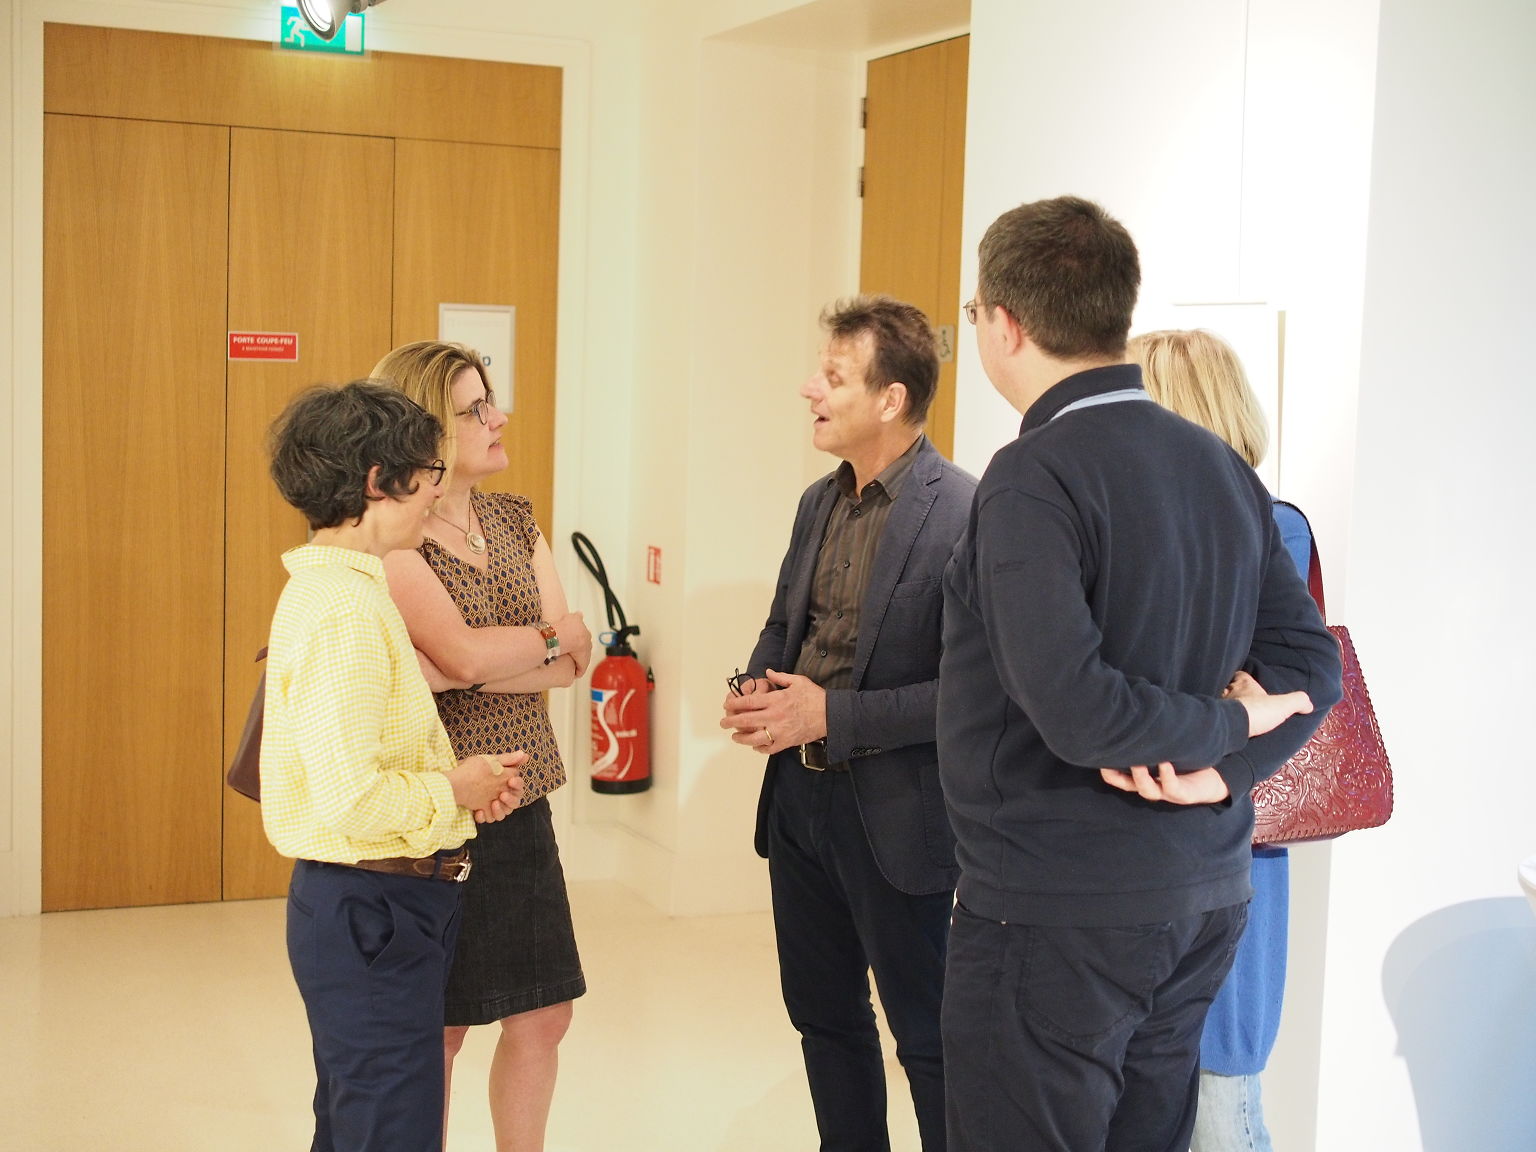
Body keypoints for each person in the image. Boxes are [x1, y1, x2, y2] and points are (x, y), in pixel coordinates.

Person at [937, 196, 1343, 1152]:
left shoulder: (1033, 473)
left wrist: (1230, 739)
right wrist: (1226, 767)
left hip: (1057, 909)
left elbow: (1078, 710)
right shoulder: (1220, 466)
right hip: (1198, 901)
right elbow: (1310, 667)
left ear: (1006, 323)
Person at [720, 295, 976, 1152]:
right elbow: (785, 623)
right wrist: (756, 687)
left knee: (928, 1039)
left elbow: (971, 694)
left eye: (832, 377)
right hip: (800, 804)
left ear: (891, 399)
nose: (810, 390)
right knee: (824, 1021)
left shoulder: (962, 512)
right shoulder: (816, 502)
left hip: (898, 818)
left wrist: (829, 712)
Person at [261, 381, 525, 1152]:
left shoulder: (339, 587)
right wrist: (456, 788)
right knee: (387, 1131)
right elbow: (351, 796)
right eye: (429, 474)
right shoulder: (345, 611)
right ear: (380, 481)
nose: (437, 493)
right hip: (371, 908)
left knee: (361, 1124)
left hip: (374, 904)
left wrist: (460, 796)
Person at [372, 341, 591, 1152]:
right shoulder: (394, 540)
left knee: (545, 1013)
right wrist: (529, 645)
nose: (499, 417)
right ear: (427, 427)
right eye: (475, 409)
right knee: (442, 1026)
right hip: (440, 809)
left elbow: (570, 662)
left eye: (490, 400)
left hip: (521, 800)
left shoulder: (515, 518)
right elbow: (477, 656)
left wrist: (469, 663)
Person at [1131, 328, 1315, 1152]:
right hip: (1145, 858)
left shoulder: (1273, 529)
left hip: (1230, 848)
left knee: (1220, 1108)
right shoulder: (1136, 532)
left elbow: (1263, 695)